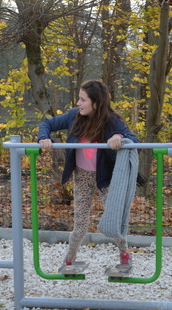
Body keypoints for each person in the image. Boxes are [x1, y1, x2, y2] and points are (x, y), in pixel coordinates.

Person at [37, 79, 140, 268]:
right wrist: (44, 138)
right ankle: (69, 258)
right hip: (83, 176)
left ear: (96, 103)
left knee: (114, 218)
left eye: (83, 100)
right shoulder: (74, 116)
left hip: (105, 177)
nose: (78, 103)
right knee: (80, 225)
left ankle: (124, 255)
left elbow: (135, 141)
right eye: (79, 98)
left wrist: (119, 137)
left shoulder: (111, 121)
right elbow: (47, 124)